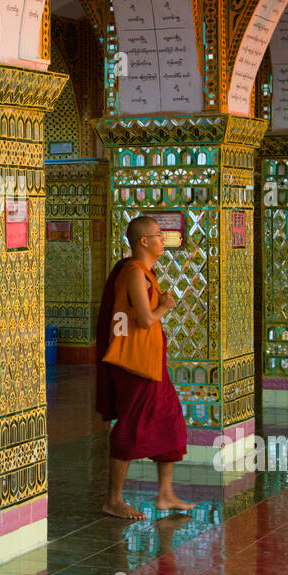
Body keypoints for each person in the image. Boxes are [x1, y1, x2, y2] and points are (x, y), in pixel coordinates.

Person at [95, 215, 192, 519]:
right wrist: (164, 305)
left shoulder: (145, 272)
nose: (164, 239)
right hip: (134, 365)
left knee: (170, 420)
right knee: (132, 426)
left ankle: (165, 494)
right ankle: (114, 500)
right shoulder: (134, 273)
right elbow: (145, 319)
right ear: (143, 242)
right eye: (159, 235)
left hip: (150, 363)